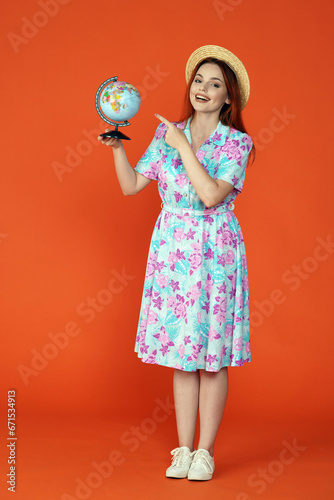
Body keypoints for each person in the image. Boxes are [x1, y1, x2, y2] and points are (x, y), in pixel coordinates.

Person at [98, 44, 255, 482]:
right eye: (199, 80)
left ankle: (206, 452)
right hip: (172, 252)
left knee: (212, 356)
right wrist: (116, 149)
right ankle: (183, 450)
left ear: (229, 98)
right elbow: (131, 187)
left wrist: (183, 144)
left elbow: (209, 195)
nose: (203, 88)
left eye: (215, 84)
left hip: (215, 253)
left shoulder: (236, 144)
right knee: (181, 356)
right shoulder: (167, 132)